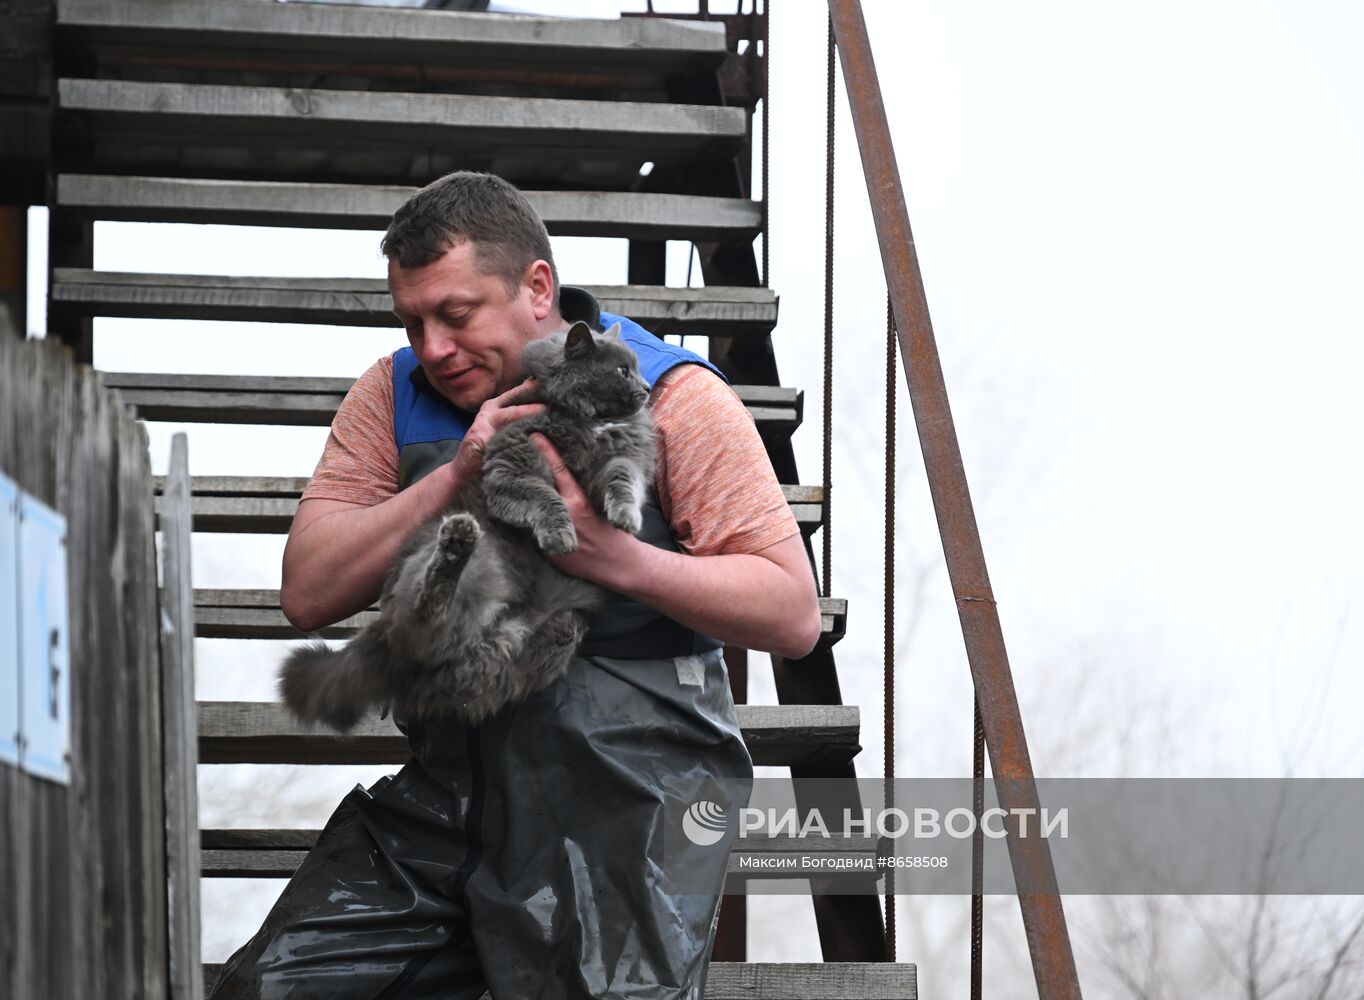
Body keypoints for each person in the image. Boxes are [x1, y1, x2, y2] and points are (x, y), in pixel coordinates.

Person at [210, 171, 821, 999]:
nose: (432, 347)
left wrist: (617, 560)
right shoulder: (392, 395)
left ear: (538, 288)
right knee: (269, 990)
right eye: (413, 321)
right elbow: (308, 590)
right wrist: (455, 474)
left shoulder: (675, 395)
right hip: (447, 802)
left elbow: (791, 611)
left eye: (456, 316)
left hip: (634, 802)